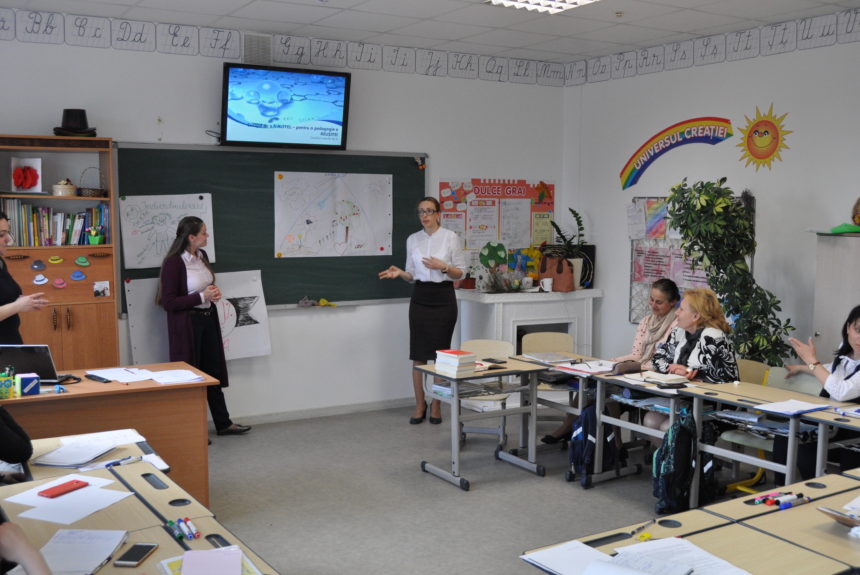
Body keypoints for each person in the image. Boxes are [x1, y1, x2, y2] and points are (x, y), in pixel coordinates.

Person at [541, 278, 681, 444]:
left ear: (673, 302)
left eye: (659, 302)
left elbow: (665, 362)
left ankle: (614, 444)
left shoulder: (678, 325)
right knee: (591, 383)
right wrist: (611, 362)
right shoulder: (646, 321)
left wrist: (632, 366)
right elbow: (637, 354)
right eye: (651, 299)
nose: (653, 305)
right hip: (638, 372)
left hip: (655, 378)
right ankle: (574, 429)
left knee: (606, 389)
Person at [159, 217, 250, 437]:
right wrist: (201, 296)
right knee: (191, 377)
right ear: (191, 237)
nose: (207, 236)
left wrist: (212, 293)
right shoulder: (174, 263)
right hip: (188, 324)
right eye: (204, 233)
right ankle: (193, 432)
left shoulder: (202, 256)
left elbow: (205, 285)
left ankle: (223, 423)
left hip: (208, 318)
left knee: (213, 372)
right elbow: (169, 302)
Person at [379, 197, 465, 425]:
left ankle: (437, 403)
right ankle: (420, 404)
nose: (424, 215)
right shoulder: (412, 239)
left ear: (438, 214)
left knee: (441, 356)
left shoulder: (450, 237)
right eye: (421, 212)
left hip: (443, 298)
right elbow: (411, 274)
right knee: (418, 355)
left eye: (429, 211)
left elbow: (461, 272)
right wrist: (400, 273)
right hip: (420, 297)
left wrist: (443, 267)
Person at [774, 304, 860, 479]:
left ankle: (818, 489)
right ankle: (781, 487)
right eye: (858, 330)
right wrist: (802, 367)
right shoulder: (846, 353)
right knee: (787, 434)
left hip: (852, 431)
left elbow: (842, 391)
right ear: (848, 328)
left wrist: (812, 361)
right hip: (831, 422)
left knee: (809, 444)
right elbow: (831, 370)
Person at [647, 288, 739, 433]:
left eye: (681, 309)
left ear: (696, 316)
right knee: (650, 420)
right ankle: (665, 450)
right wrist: (673, 369)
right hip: (682, 398)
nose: (676, 313)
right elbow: (657, 358)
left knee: (667, 427)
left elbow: (726, 379)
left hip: (712, 406)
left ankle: (687, 449)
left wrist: (689, 373)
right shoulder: (678, 331)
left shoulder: (714, 337)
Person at [0, 212, 47, 344]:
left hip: (10, 342)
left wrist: (24, 302)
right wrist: (18, 306)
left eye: (7, 233)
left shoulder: (1, 263)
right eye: (1, 235)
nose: (8, 240)